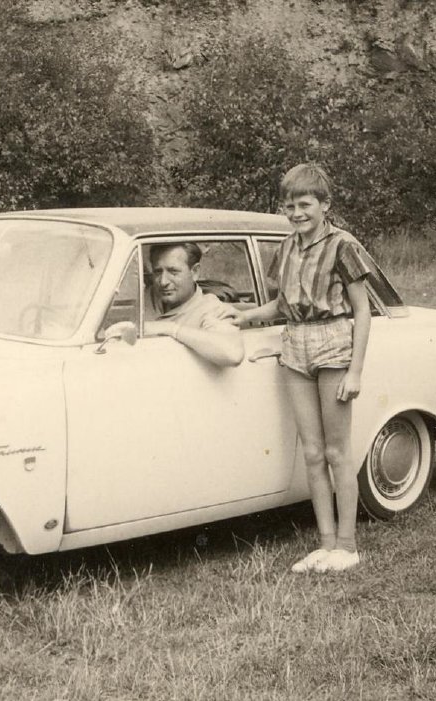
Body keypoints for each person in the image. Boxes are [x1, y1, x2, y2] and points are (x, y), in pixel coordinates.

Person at [229, 163, 374, 573]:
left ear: (325, 205)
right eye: (289, 206)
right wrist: (244, 316)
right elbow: (281, 305)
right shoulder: (286, 247)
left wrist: (355, 370)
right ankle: (325, 544)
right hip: (294, 344)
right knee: (311, 452)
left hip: (334, 343)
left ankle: (347, 545)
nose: (296, 213)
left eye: (305, 204)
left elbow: (362, 311)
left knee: (336, 450)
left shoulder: (343, 245)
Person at [142, 242, 244, 367]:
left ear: (195, 272)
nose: (163, 282)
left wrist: (171, 329)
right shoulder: (146, 296)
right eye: (158, 272)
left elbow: (233, 354)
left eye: (173, 272)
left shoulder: (211, 308)